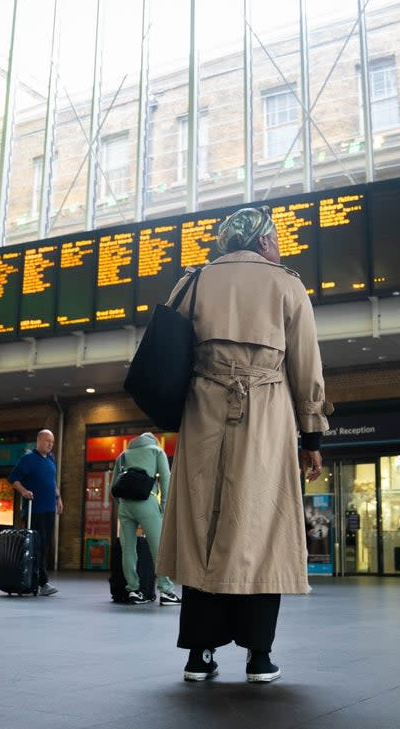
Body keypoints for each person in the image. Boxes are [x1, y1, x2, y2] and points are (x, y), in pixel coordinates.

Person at [157, 206, 331, 684]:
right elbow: (306, 365)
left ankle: (198, 655)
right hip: (268, 412)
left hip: (202, 410)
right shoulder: (287, 284)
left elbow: (168, 352)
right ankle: (259, 656)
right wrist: (311, 435)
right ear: (263, 242)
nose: (279, 248)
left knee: (201, 524)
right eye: (275, 240)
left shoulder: (193, 281)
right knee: (260, 524)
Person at [114, 432, 179, 605]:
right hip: (147, 502)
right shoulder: (157, 451)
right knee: (158, 547)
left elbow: (115, 484)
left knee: (128, 548)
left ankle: (134, 590)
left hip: (125, 505)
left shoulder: (124, 455)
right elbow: (166, 479)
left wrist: (120, 504)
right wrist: (164, 505)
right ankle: (166, 592)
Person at [8, 429, 63, 596]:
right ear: (38, 441)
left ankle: (38, 580)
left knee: (45, 544)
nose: (50, 444)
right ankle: (42, 582)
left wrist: (58, 498)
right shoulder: (28, 459)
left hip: (49, 508)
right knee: (37, 545)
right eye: (47, 441)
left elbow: (52, 482)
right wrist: (24, 491)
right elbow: (13, 479)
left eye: (52, 442)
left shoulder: (51, 459)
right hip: (35, 509)